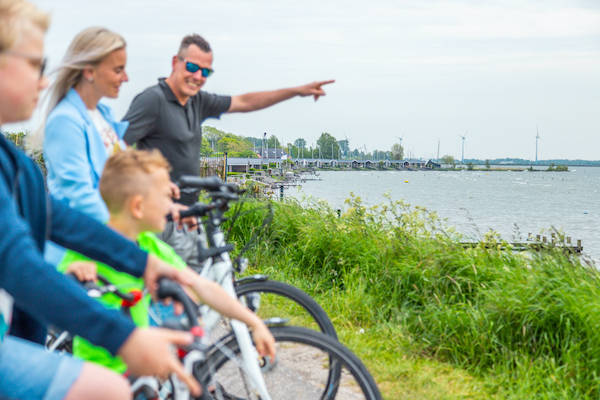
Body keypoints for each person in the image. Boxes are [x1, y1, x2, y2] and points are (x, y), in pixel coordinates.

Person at [0, 0, 200, 398]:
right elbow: (18, 258)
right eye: (36, 65)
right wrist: (123, 337)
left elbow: (53, 215)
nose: (44, 82)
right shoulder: (61, 125)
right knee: (105, 385)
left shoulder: (12, 158)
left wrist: (143, 262)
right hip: (59, 267)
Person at [123, 33, 334, 265]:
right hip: (159, 215)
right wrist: (153, 188)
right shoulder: (153, 100)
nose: (198, 76)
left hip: (190, 214)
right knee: (170, 288)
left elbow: (244, 102)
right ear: (175, 62)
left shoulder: (197, 101)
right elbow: (117, 149)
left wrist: (296, 91)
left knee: (200, 283)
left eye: (205, 72)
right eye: (192, 67)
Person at [60, 148, 275, 373]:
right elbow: (53, 292)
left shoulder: (150, 246)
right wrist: (73, 270)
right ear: (138, 206)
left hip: (139, 371)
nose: (172, 204)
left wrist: (254, 322)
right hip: (98, 374)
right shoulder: (89, 245)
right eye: (165, 196)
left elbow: (202, 286)